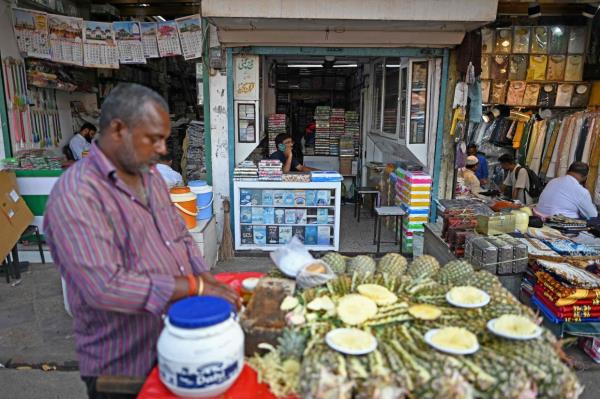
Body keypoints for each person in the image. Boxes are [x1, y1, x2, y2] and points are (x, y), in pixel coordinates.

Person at [44, 83, 241, 399]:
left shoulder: (151, 178)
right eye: (154, 138)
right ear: (119, 130)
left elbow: (179, 236)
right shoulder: (77, 195)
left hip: (176, 343)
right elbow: (106, 287)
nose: (163, 149)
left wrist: (206, 278)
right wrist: (195, 287)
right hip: (123, 363)